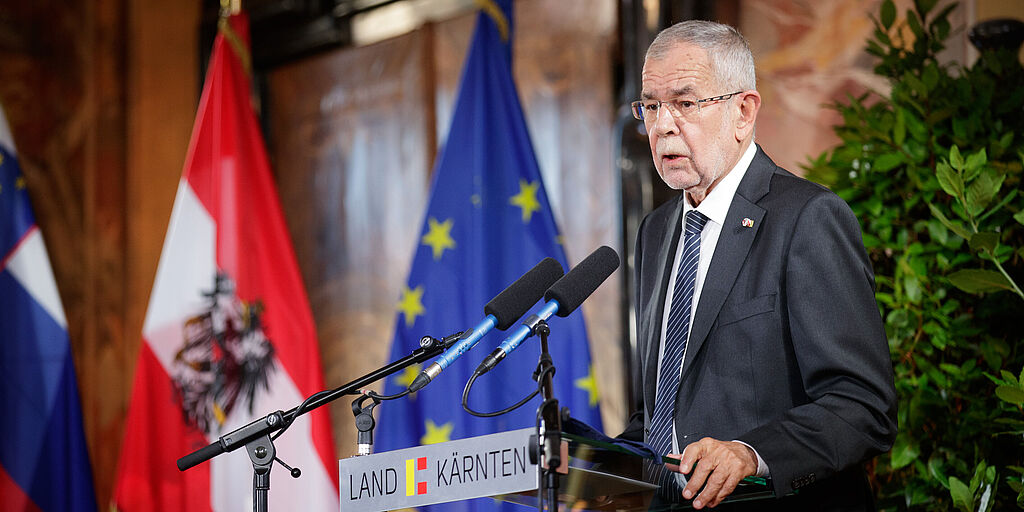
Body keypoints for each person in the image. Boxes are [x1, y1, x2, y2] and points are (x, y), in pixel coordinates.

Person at [620, 20, 898, 510]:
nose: (662, 125)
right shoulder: (656, 232)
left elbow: (862, 405)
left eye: (685, 103)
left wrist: (752, 454)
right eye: (651, 106)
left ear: (743, 111)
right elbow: (664, 413)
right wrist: (591, 466)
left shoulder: (807, 218)